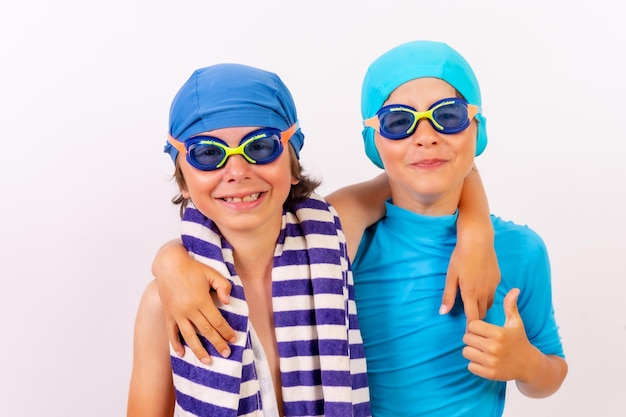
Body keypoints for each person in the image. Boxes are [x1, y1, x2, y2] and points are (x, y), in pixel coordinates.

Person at [126, 63, 375, 417]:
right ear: (183, 180)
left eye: (259, 147)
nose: (238, 172)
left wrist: (475, 223)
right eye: (208, 153)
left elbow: (425, 175)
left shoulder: (334, 243)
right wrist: (168, 262)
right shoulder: (165, 302)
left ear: (292, 163)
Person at [353, 40, 568, 416]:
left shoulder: (521, 250)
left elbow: (552, 371)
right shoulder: (347, 245)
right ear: (374, 140)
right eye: (399, 122)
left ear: (477, 128)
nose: (425, 136)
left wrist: (528, 365)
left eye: (447, 115)